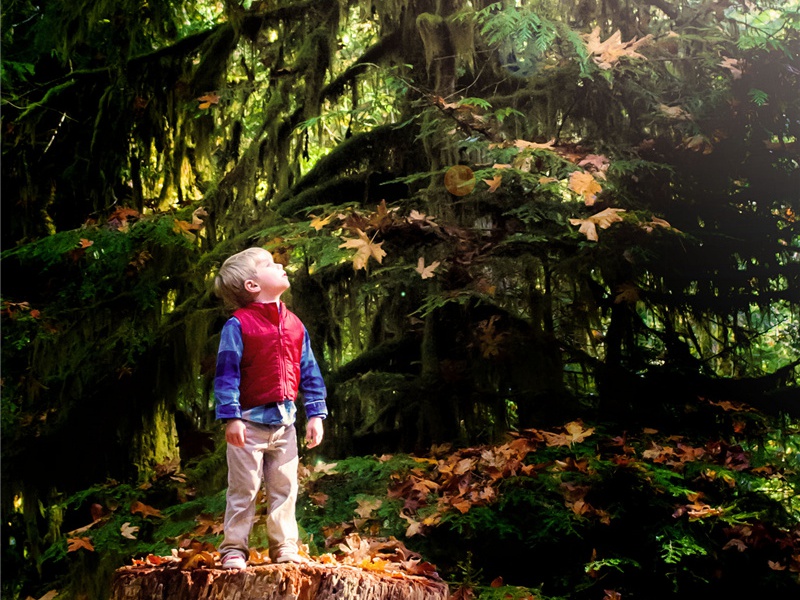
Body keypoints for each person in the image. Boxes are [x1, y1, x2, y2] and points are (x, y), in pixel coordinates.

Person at [212, 247, 327, 570]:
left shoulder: (294, 324)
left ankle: (284, 546)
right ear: (252, 285)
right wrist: (231, 417)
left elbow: (310, 370)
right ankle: (234, 548)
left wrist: (316, 413)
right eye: (269, 264)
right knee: (244, 488)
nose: (280, 265)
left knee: (285, 488)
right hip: (248, 425)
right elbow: (226, 375)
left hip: (285, 424)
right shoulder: (238, 325)